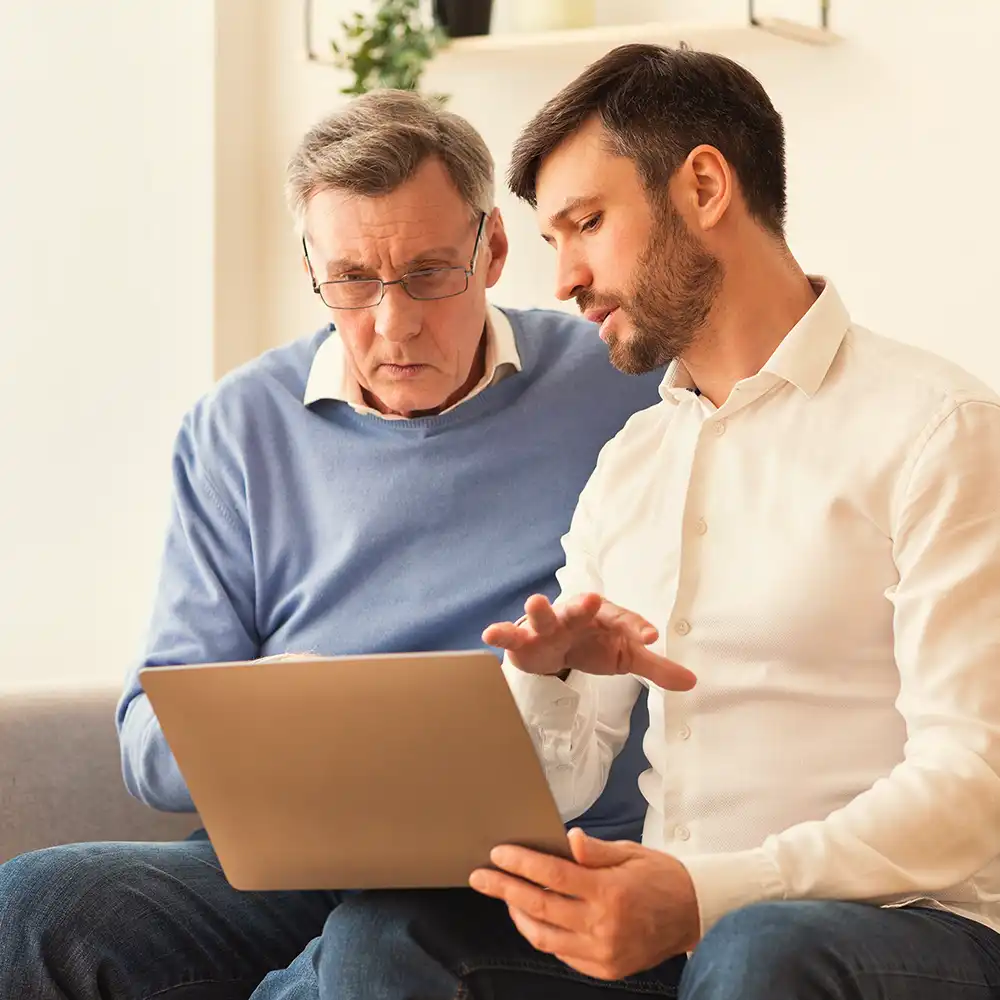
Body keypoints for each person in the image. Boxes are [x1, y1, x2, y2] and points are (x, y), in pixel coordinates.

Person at [311, 43, 1000, 1000]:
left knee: (756, 950)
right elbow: (569, 783)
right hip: (682, 932)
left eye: (587, 223)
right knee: (392, 936)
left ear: (706, 185)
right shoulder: (631, 465)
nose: (564, 281)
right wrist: (546, 673)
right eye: (552, 240)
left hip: (907, 926)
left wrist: (708, 894)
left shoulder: (937, 428)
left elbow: (973, 791)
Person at [0, 90, 665, 1000]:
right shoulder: (236, 427)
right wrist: (266, 717)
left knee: (376, 946)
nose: (394, 325)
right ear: (312, 267)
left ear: (494, 251)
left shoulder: (621, 381)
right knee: (32, 906)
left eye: (431, 273)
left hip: (541, 873)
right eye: (352, 280)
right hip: (290, 871)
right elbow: (146, 742)